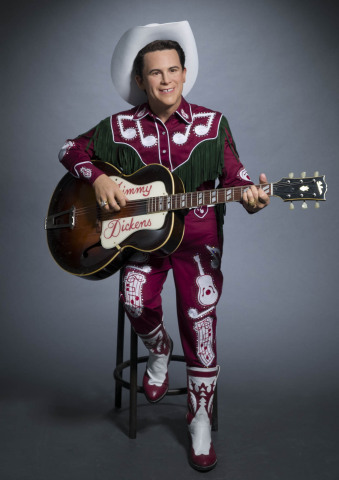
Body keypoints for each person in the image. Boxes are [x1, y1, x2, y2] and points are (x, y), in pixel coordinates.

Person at [58, 21, 270, 472]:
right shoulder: (118, 128)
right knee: (134, 300)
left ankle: (199, 420)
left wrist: (254, 196)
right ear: (141, 80)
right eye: (156, 73)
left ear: (185, 73)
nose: (167, 80)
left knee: (201, 326)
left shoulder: (213, 124)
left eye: (174, 70)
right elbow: (69, 148)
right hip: (142, 245)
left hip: (198, 247)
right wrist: (98, 178)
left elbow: (237, 177)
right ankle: (156, 349)